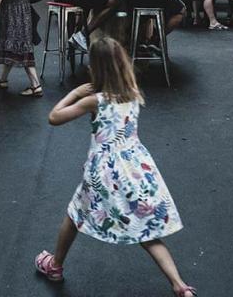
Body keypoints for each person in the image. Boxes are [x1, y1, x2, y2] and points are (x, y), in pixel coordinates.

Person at [35, 37, 195, 297]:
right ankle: (180, 286)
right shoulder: (133, 94)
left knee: (75, 215)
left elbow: (54, 118)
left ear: (94, 69)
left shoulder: (95, 101)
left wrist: (75, 93)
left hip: (104, 173)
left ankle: (55, 265)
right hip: (136, 169)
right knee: (146, 231)